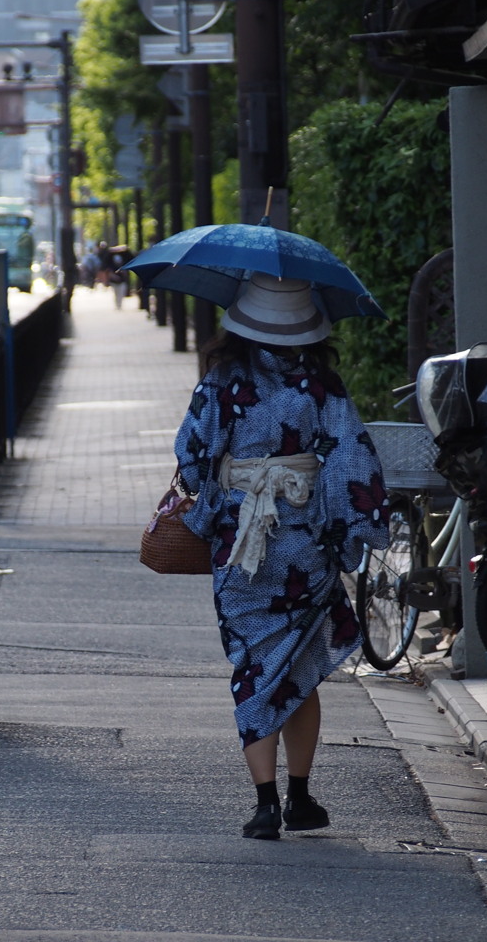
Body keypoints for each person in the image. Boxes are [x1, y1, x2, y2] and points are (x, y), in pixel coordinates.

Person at [173, 272, 390, 840]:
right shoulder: (322, 387)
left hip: (238, 548)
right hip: (305, 546)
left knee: (253, 667)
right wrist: (352, 533)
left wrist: (230, 487)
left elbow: (193, 461)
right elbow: (351, 461)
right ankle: (301, 797)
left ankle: (264, 802)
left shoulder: (219, 384)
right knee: (298, 668)